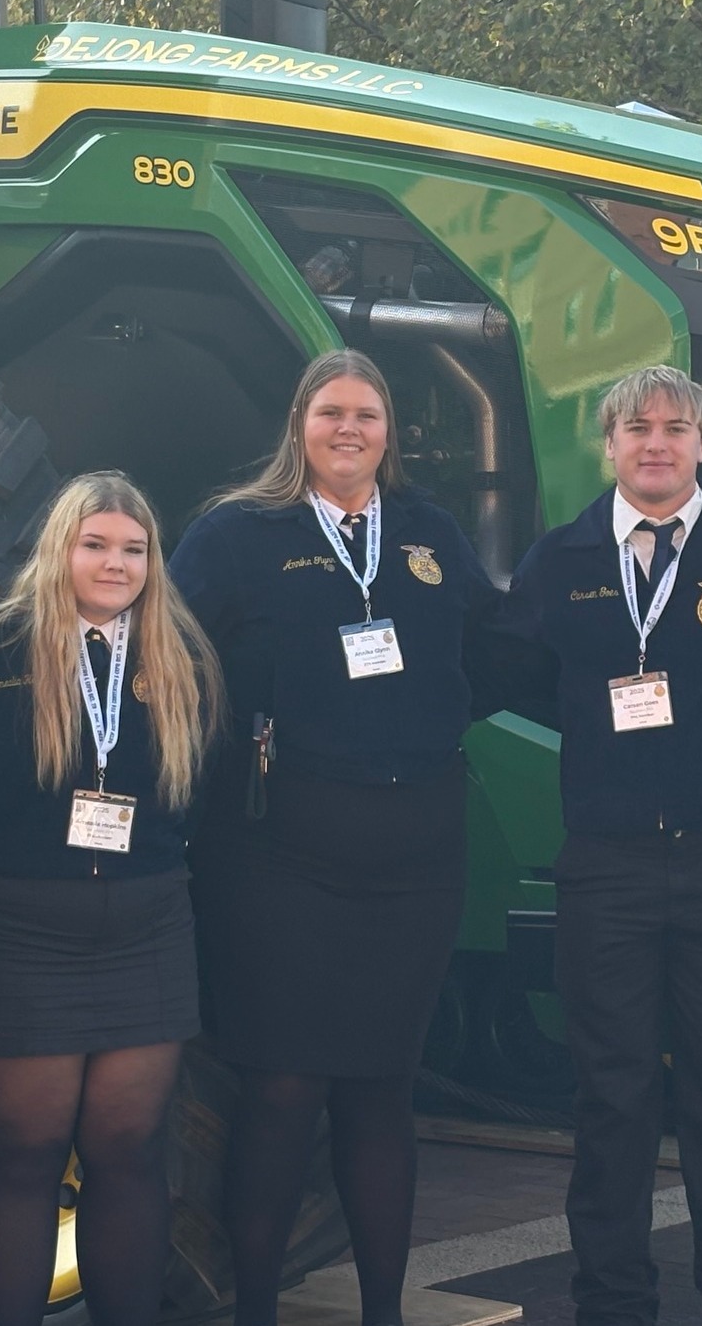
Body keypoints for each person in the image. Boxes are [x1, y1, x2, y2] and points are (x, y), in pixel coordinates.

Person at [169, 349, 502, 1326]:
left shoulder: (429, 533)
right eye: (329, 413)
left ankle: (383, 1313)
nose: (347, 429)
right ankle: (257, 1309)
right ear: (298, 425)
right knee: (280, 1087)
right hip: (276, 861)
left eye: (365, 412)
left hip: (412, 859)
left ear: (390, 431)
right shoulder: (236, 534)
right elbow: (170, 659)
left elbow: (488, 652)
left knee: (378, 1091)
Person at [494, 365, 702, 1326]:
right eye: (637, 427)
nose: (657, 442)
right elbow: (519, 675)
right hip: (607, 871)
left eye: (677, 425)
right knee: (612, 1102)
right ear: (610, 446)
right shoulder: (562, 558)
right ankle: (614, 1301)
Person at [0, 471, 222, 1326]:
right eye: (95, 544)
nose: (115, 562)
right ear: (60, 549)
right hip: (21, 937)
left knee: (130, 1154)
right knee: (25, 1160)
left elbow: (204, 806)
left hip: (146, 933)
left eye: (133, 548)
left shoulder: (181, 660)